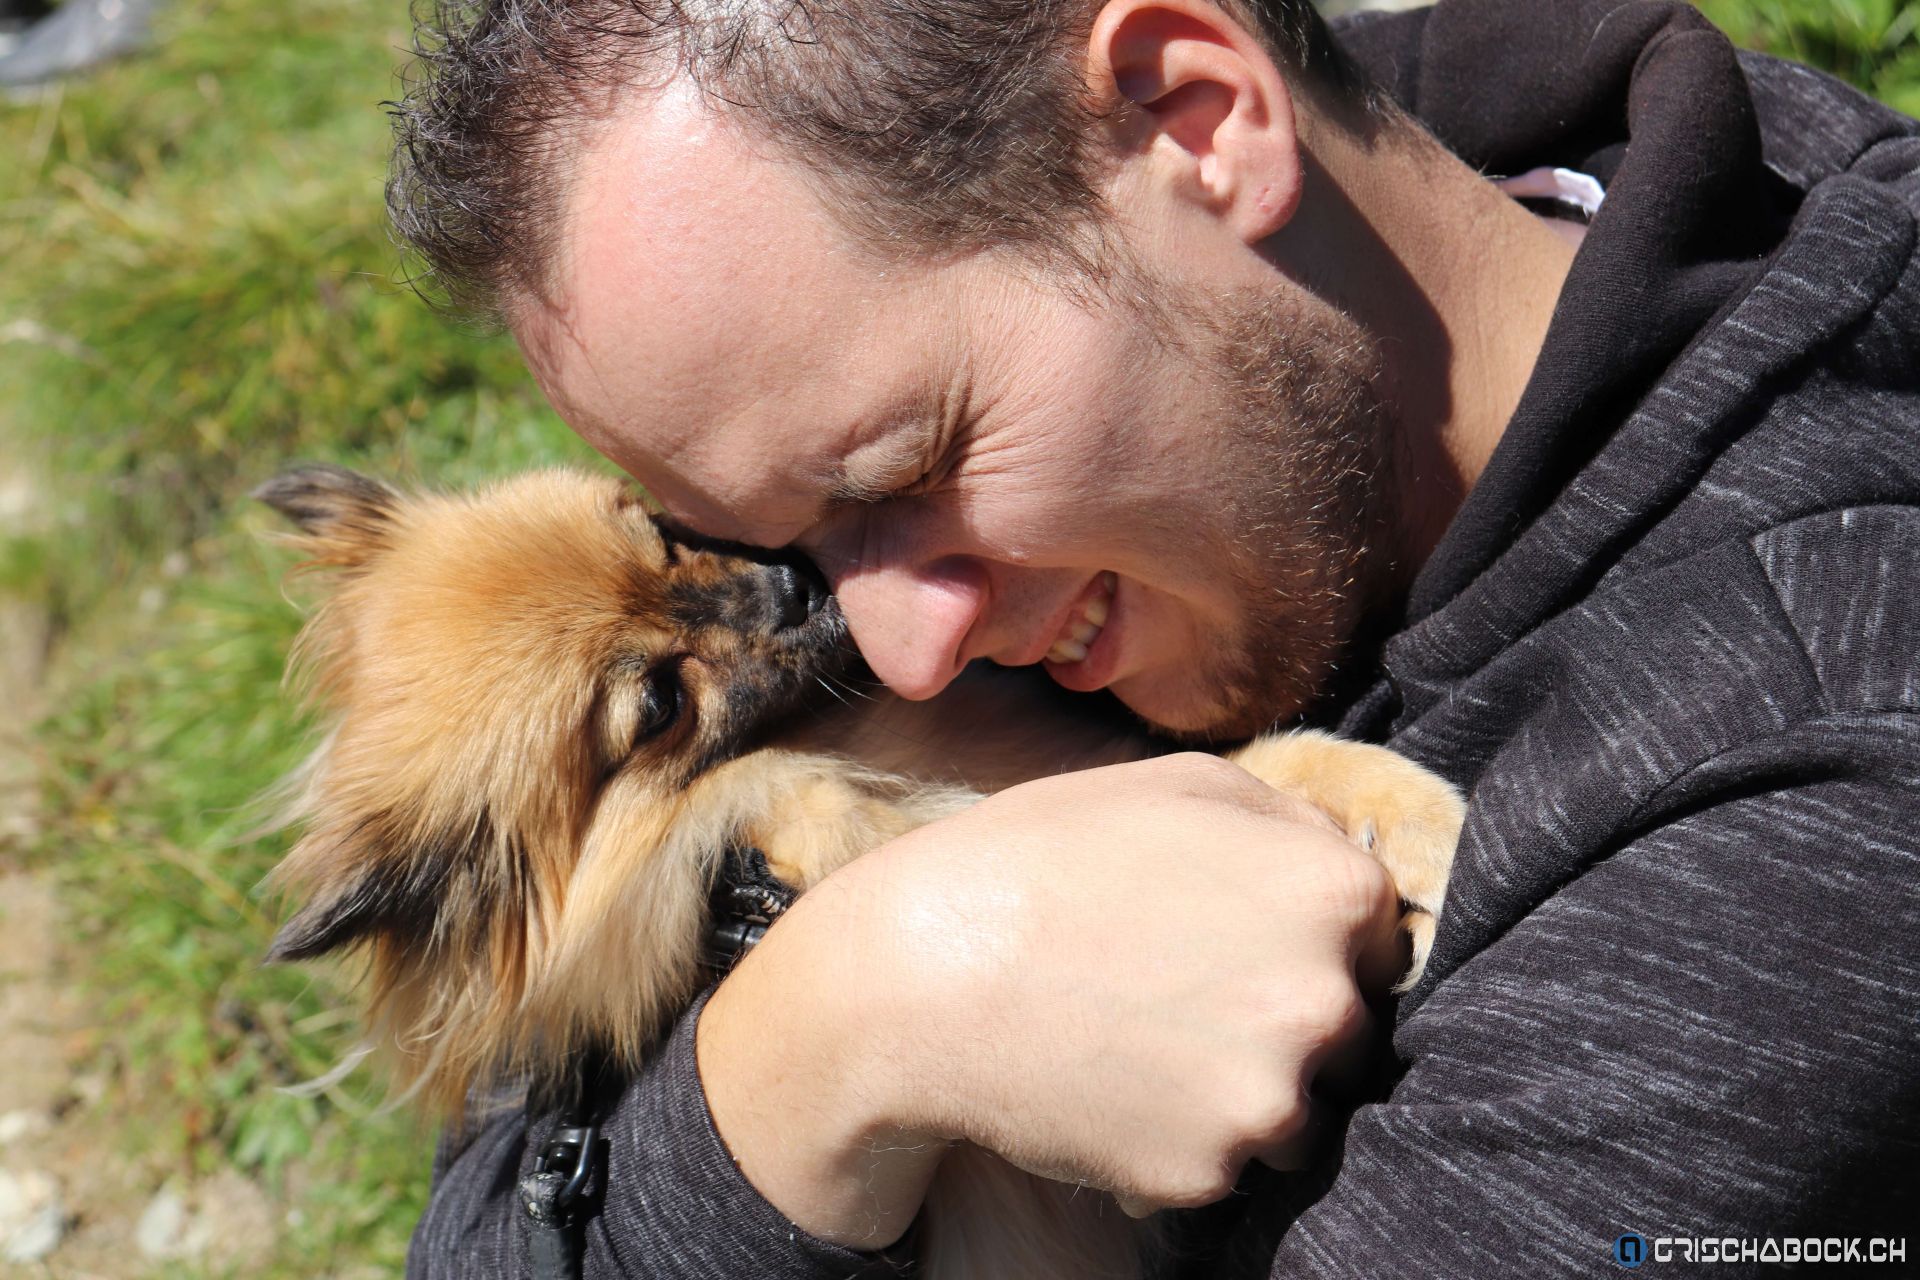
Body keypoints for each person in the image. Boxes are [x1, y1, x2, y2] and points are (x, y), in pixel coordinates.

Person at [396, 0, 1920, 1273]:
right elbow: (484, 1210)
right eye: (771, 545)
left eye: (904, 473)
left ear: (1200, 119)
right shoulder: (1202, 297)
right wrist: (845, 1022)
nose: (898, 658)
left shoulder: (1803, 813)